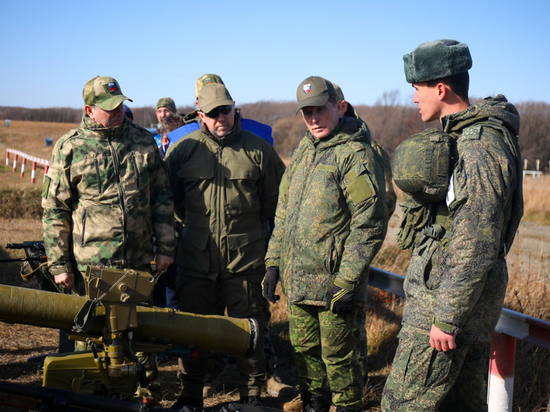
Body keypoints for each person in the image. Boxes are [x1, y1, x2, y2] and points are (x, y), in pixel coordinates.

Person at [381, 40, 523, 411]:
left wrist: (446, 318)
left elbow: (476, 239)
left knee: (401, 405)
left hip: (443, 309)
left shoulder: (477, 147)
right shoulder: (463, 138)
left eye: (417, 88)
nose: (414, 98)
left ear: (440, 89)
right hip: (453, 304)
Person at [263, 76, 388, 412]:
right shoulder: (303, 152)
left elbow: (370, 221)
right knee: (304, 352)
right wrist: (273, 263)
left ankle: (347, 407)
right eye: (307, 112)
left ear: (340, 107)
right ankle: (315, 403)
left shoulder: (355, 155)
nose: (314, 118)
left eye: (321, 109)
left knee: (340, 359)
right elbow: (283, 216)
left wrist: (347, 280)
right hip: (300, 284)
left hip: (335, 288)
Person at [164, 81, 286, 408]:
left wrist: (267, 253)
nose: (222, 118)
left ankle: (251, 396)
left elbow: (276, 207)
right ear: (199, 113)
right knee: (193, 330)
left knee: (251, 331)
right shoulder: (184, 150)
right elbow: (170, 202)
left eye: (227, 110)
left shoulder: (258, 151)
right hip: (195, 260)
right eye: (214, 113)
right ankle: (191, 394)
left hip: (246, 262)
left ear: (234, 108)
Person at [42, 75, 176, 294]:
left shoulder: (142, 141)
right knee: (86, 327)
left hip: (138, 265)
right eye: (110, 108)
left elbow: (162, 197)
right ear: (89, 110)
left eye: (121, 105)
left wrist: (166, 247)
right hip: (89, 268)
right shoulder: (70, 147)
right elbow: (55, 210)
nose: (119, 112)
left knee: (137, 326)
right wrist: (59, 265)